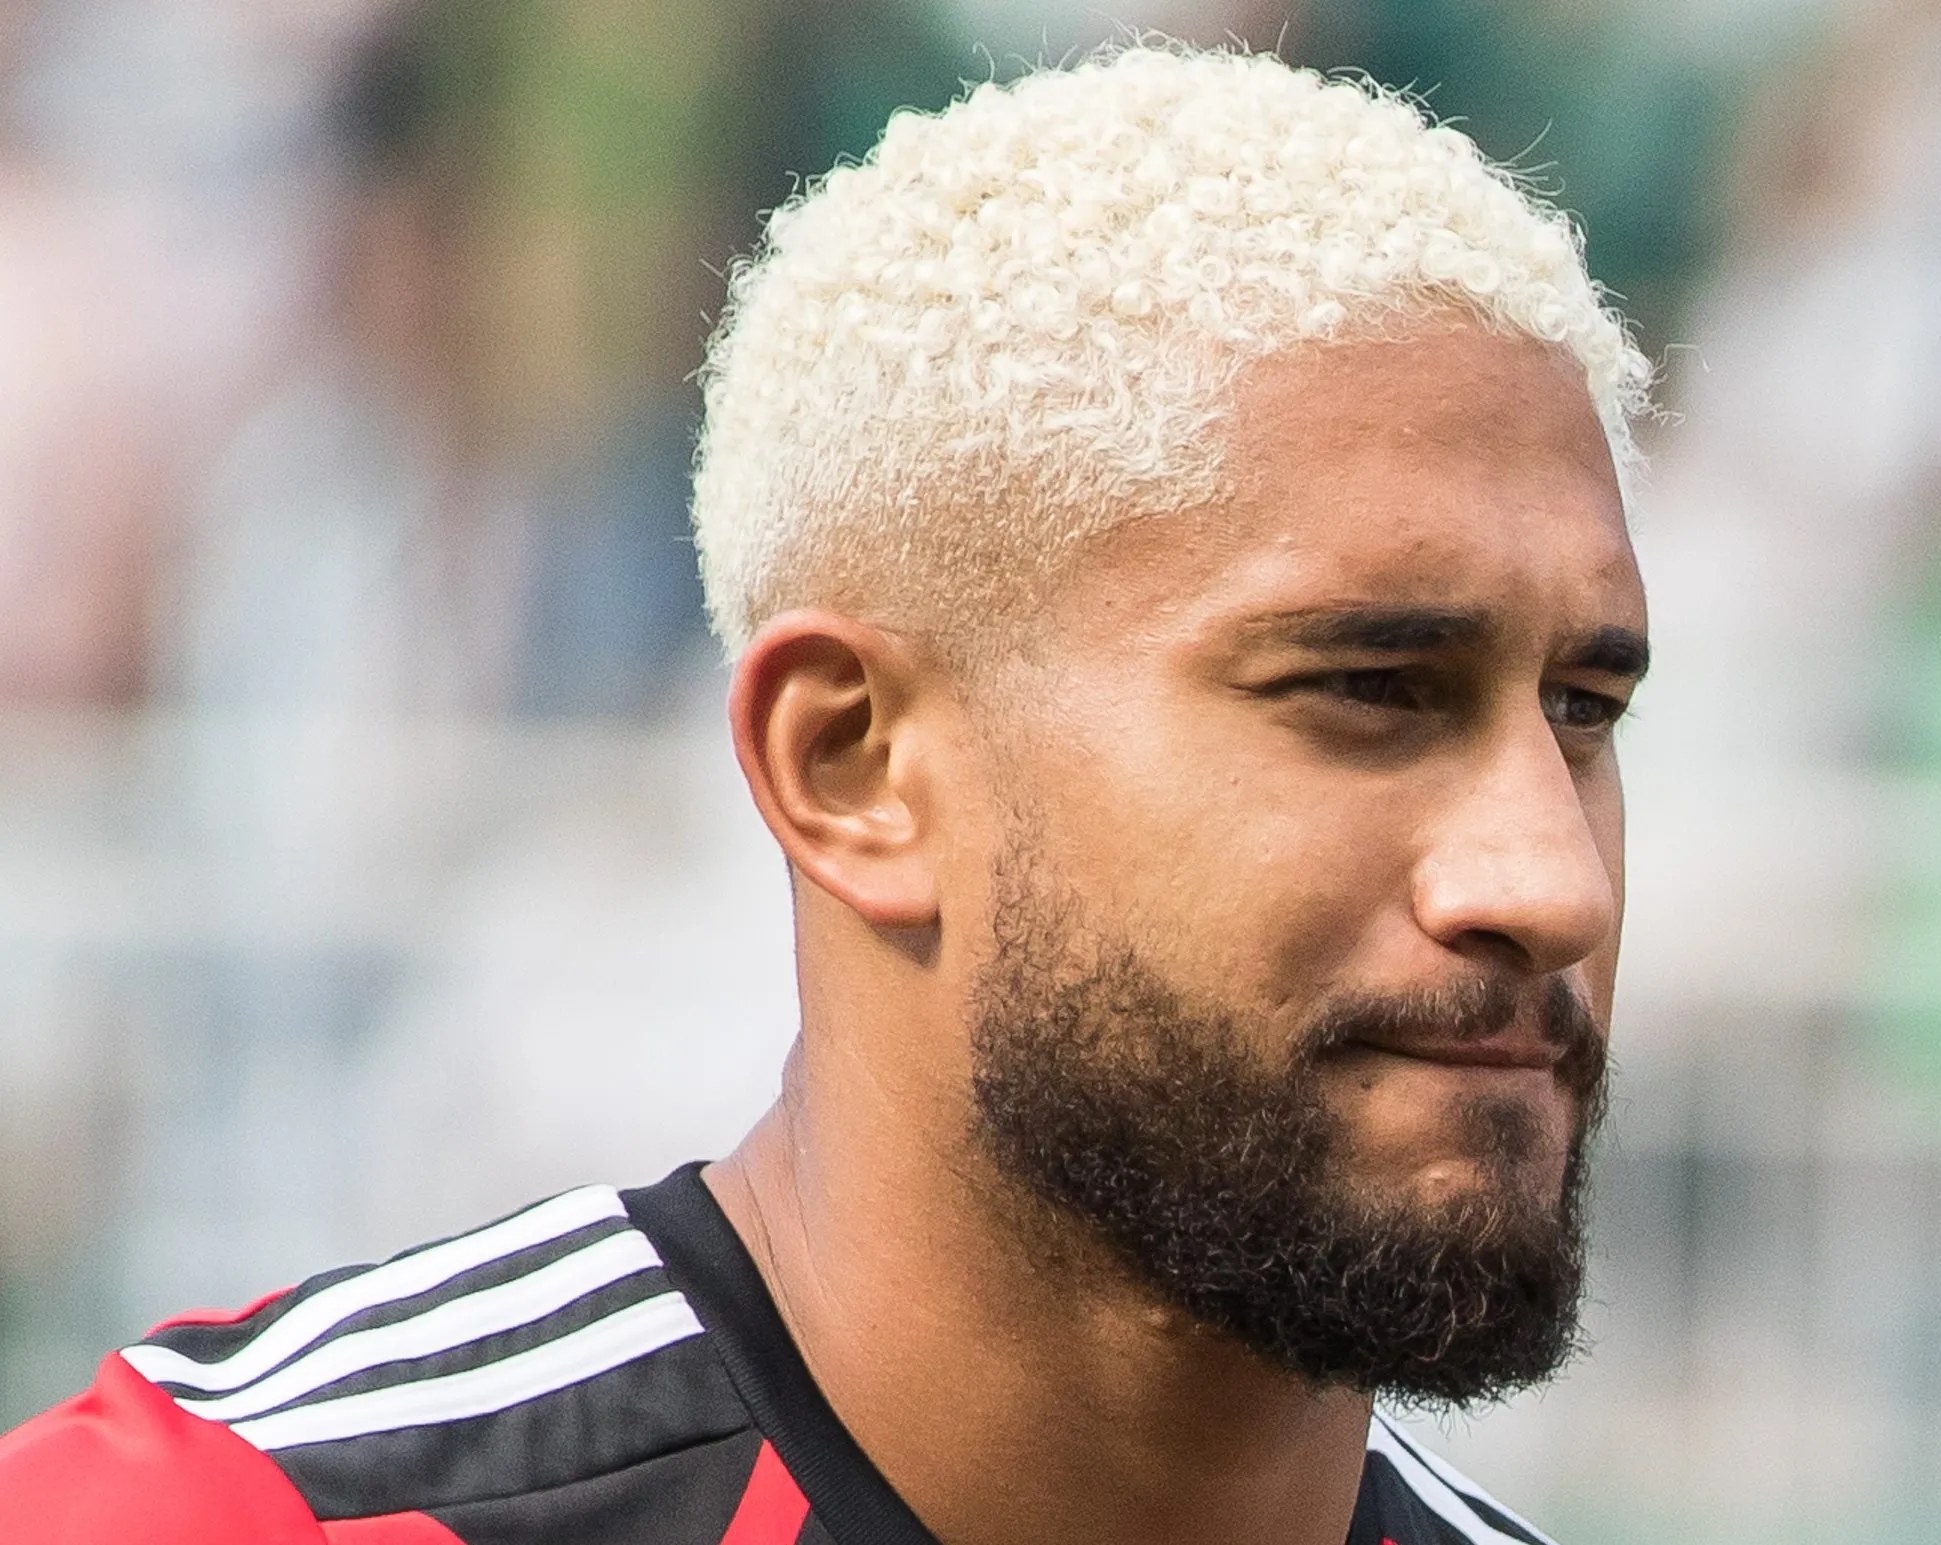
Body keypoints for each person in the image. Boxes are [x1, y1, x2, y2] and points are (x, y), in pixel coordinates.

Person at [0, 42, 1652, 1545]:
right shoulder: (220, 1522)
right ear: (851, 767)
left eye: (1583, 710)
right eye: (1367, 690)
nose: (1550, 881)